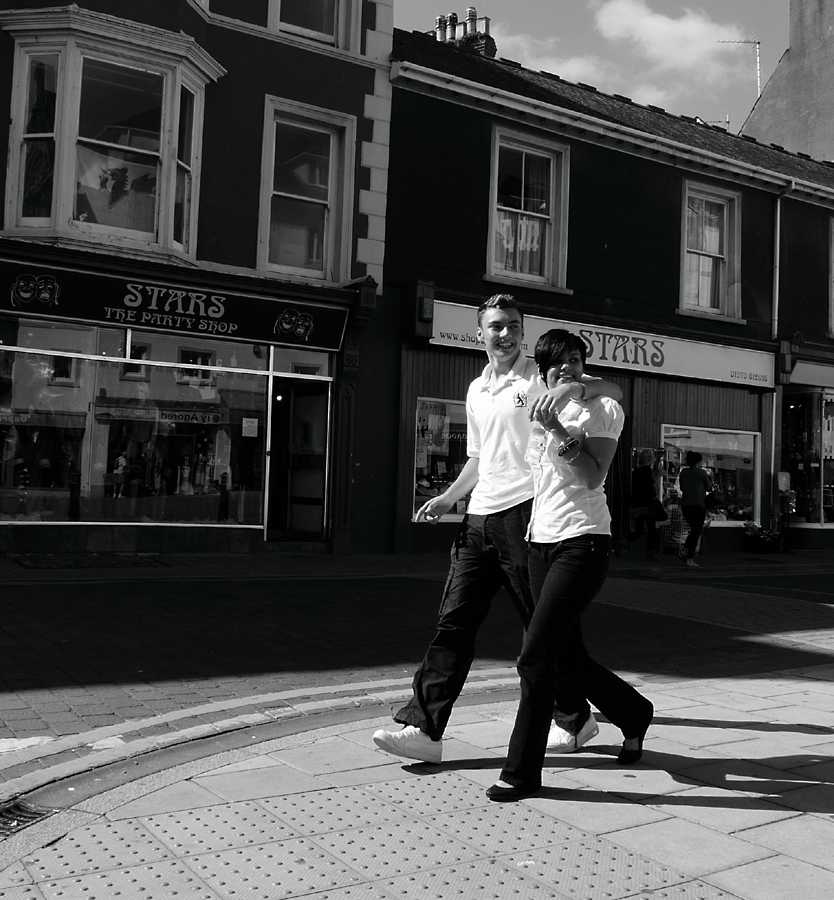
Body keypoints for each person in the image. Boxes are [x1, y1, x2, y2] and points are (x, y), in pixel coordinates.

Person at [372, 294, 623, 764]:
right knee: (454, 621)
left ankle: (575, 716)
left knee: (540, 629)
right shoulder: (476, 390)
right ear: (480, 333)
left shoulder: (539, 375)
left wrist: (569, 389)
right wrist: (450, 497)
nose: (505, 334)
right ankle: (425, 729)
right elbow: (479, 456)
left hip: (527, 515)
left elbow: (611, 391)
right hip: (479, 517)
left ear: (523, 332)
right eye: (496, 326)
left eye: (513, 326)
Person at [486, 328, 653, 802]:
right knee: (565, 655)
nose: (566, 366)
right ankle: (633, 712)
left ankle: (521, 772)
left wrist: (560, 428)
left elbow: (593, 474)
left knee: (534, 655)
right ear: (542, 370)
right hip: (539, 542)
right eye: (556, 361)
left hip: (584, 541)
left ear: (583, 366)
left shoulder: (601, 409)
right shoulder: (537, 402)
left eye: (575, 359)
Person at [678, 450, 713, 568]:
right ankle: (689, 556)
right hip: (698, 504)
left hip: (686, 504)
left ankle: (685, 550)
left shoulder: (683, 472)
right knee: (696, 530)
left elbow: (682, 488)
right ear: (698, 461)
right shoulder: (702, 473)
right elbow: (709, 487)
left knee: (694, 529)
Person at [629, 450, 661, 559]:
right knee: (651, 528)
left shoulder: (635, 472)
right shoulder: (648, 471)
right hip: (648, 503)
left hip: (638, 502)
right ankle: (651, 551)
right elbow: (652, 485)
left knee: (639, 528)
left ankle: (625, 541)